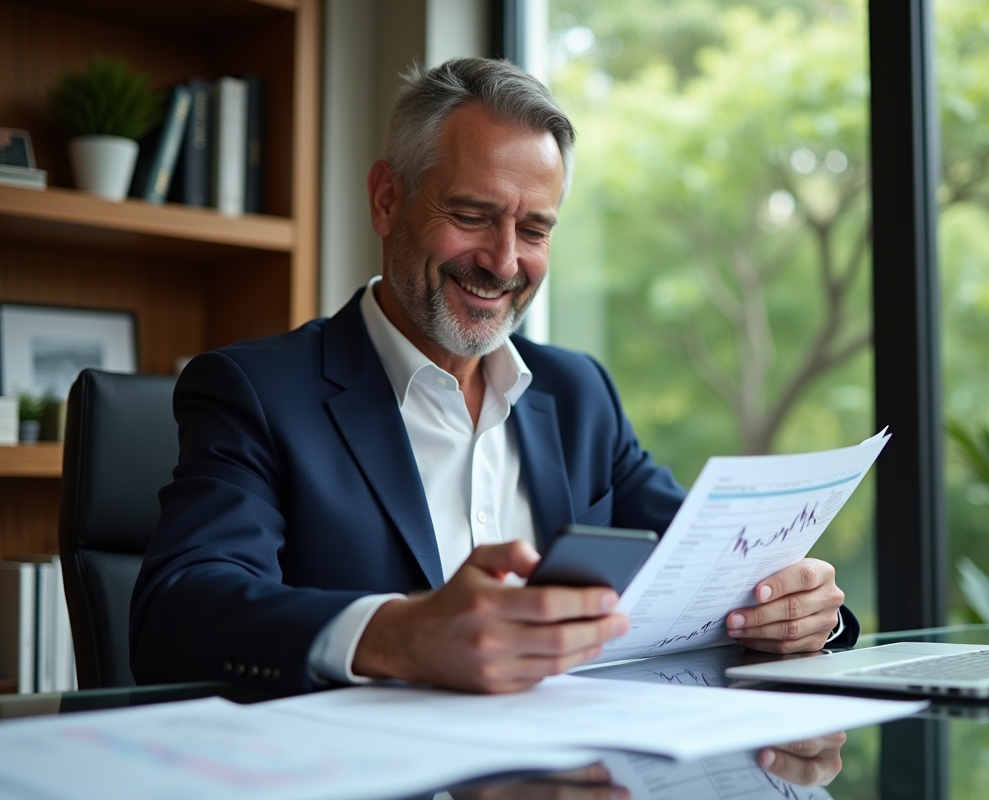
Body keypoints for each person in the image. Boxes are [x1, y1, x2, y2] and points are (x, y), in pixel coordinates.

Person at [129, 57, 858, 695]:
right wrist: (400, 633)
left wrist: (798, 608)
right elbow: (179, 608)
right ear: (388, 201)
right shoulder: (255, 390)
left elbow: (706, 569)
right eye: (473, 215)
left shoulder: (580, 396)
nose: (505, 262)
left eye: (535, 229)